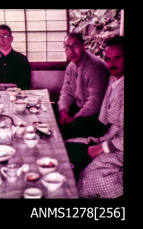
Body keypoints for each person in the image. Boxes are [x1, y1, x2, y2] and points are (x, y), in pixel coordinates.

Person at [66, 36, 124, 198]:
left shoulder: (94, 67)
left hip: (120, 148)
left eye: (117, 58)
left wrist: (102, 148)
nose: (112, 63)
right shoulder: (114, 79)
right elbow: (66, 91)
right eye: (108, 59)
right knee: (67, 147)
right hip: (109, 135)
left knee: (92, 175)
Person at [57, 32, 109, 140]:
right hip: (80, 108)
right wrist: (64, 111)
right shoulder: (71, 66)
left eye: (75, 46)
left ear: (83, 46)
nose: (71, 51)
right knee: (56, 115)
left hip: (97, 115)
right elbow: (66, 91)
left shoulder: (95, 67)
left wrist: (75, 118)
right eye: (67, 47)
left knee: (70, 128)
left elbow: (94, 103)